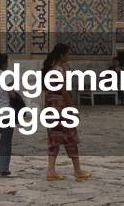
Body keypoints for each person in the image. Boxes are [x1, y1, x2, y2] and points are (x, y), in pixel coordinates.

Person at [42, 43, 90, 181]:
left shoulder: (50, 70)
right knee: (71, 138)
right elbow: (64, 91)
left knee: (54, 139)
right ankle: (77, 170)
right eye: (67, 53)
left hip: (51, 109)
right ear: (62, 55)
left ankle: (50, 171)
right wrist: (71, 108)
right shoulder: (60, 70)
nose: (69, 56)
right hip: (61, 108)